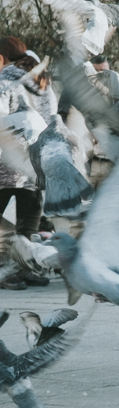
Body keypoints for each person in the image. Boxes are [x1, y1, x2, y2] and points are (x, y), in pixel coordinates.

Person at [0, 36, 57, 288]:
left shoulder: (4, 82)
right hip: (35, 163)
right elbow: (53, 117)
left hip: (6, 162)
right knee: (29, 219)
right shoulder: (41, 79)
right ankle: (25, 267)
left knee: (3, 221)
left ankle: (7, 271)